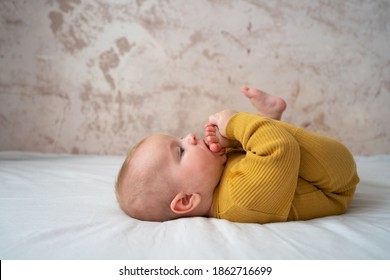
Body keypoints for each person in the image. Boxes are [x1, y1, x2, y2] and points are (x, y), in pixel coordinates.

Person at [115, 87, 359, 223]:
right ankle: (265, 122)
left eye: (179, 138)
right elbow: (280, 149)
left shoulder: (216, 181)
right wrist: (234, 123)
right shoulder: (239, 200)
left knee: (257, 146)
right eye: (180, 150)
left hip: (290, 172)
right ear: (187, 200)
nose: (189, 136)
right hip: (335, 180)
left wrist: (229, 142)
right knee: (271, 144)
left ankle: (268, 120)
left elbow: (264, 159)